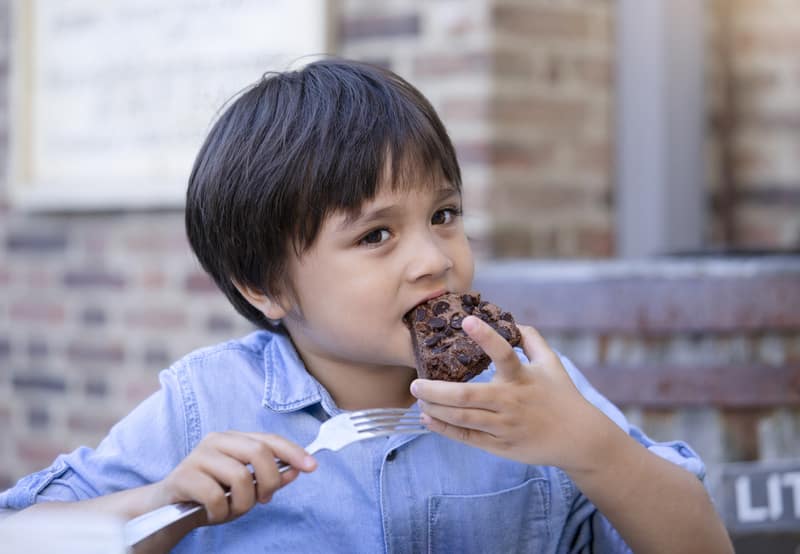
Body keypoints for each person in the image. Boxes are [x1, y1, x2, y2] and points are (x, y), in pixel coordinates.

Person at [0, 58, 733, 553]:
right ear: (266, 286)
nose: (434, 259)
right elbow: (24, 534)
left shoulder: (532, 394)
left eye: (444, 215)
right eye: (377, 234)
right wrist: (157, 500)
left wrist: (590, 446)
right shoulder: (204, 406)